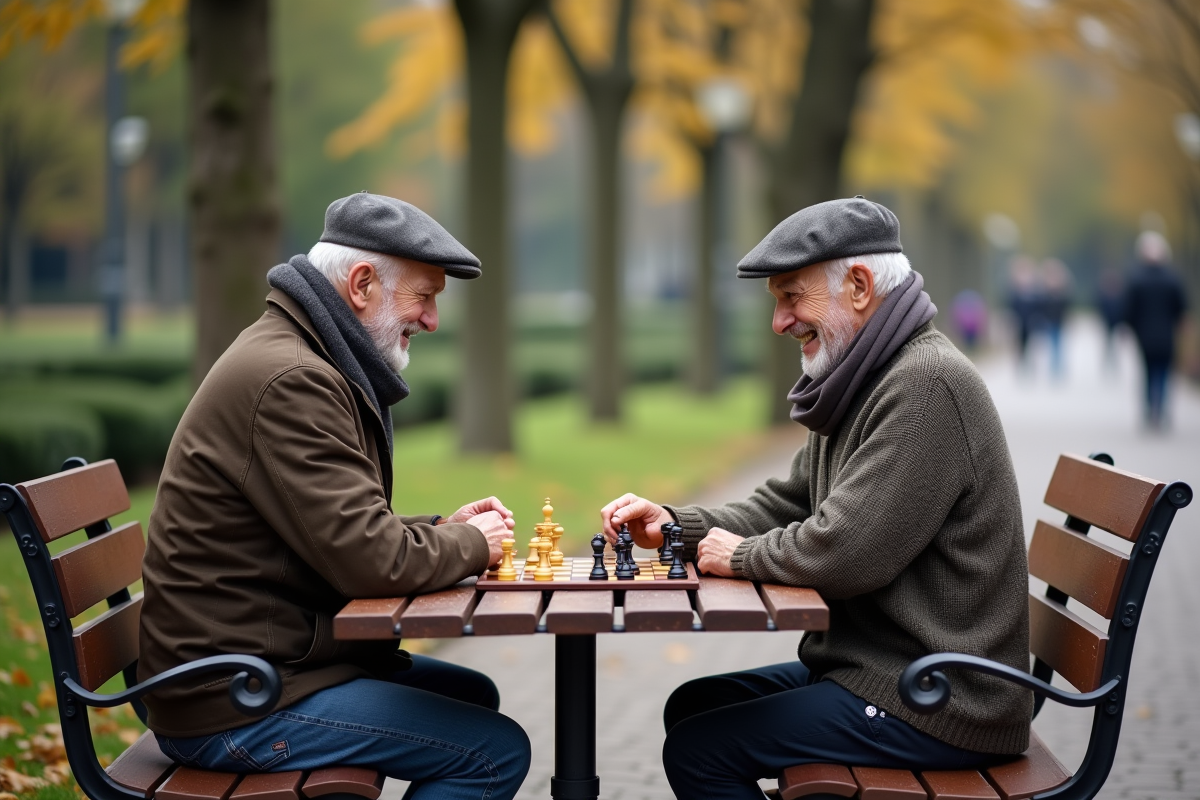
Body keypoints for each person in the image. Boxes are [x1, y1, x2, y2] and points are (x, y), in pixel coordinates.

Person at [600, 197, 1032, 799]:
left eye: (791, 297)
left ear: (858, 285)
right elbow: (787, 505)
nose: (779, 322)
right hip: (882, 671)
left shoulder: (927, 386)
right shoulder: (868, 377)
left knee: (702, 748)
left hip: (942, 697)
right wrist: (676, 525)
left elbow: (845, 552)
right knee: (695, 706)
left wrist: (744, 556)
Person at [139, 193, 531, 799]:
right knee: (492, 752)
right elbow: (368, 560)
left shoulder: (303, 356)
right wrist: (470, 544)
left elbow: (341, 527)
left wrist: (444, 529)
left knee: (472, 697)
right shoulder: (293, 378)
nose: (431, 320)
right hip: (237, 702)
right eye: (423, 297)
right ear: (362, 284)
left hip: (255, 671)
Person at [1123, 230, 1189, 429]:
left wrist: (1130, 328)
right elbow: (1181, 308)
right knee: (1164, 373)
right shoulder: (1172, 278)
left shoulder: (1137, 278)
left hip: (1145, 336)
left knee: (1148, 373)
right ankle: (1161, 409)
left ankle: (1150, 409)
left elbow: (1129, 309)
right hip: (1166, 335)